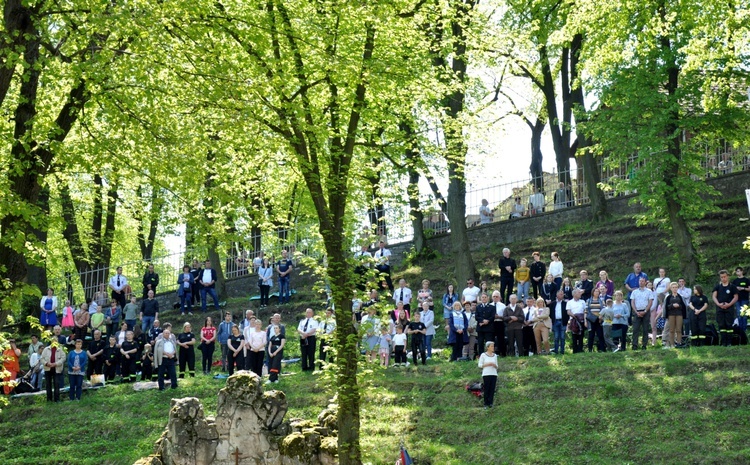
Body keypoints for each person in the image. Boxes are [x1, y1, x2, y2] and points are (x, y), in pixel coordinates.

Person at [712, 269, 738, 346]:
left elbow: (736, 297)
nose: (723, 278)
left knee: (729, 325)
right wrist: (718, 304)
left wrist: (729, 304)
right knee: (721, 325)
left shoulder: (732, 287)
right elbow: (714, 296)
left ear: (728, 277)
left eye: (724, 277)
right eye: (721, 277)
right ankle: (723, 342)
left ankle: (729, 342)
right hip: (720, 308)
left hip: (729, 308)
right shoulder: (717, 287)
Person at [630, 277, 653, 350]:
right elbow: (632, 302)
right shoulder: (635, 292)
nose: (641, 282)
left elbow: (650, 302)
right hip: (637, 311)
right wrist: (636, 312)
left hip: (645, 311)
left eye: (643, 281)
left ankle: (644, 345)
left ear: (645, 282)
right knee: (635, 329)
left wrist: (645, 311)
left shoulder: (649, 291)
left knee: (645, 329)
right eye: (640, 281)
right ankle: (634, 345)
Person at [663, 282, 687, 349]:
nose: (674, 289)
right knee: (671, 330)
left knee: (679, 330)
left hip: (679, 314)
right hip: (671, 315)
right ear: (670, 288)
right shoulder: (668, 297)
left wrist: (679, 305)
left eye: (676, 287)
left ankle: (678, 343)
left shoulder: (681, 297)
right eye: (673, 287)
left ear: (677, 288)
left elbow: (684, 306)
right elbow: (665, 306)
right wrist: (672, 305)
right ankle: (672, 344)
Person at [478, 341, 498, 409]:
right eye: (491, 346)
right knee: (487, 389)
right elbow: (480, 365)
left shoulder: (495, 355)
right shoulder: (483, 355)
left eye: (493, 346)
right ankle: (486, 403)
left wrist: (494, 365)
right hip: (486, 374)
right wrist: (487, 364)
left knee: (492, 389)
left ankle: (491, 403)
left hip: (494, 374)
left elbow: (497, 366)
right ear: (487, 347)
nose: (493, 347)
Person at [476, 293, 495, 362]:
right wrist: (482, 321)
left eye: (485, 297)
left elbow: (492, 317)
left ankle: (489, 356)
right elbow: (477, 316)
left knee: (489, 343)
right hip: (480, 328)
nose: (484, 298)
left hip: (489, 328)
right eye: (482, 297)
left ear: (488, 298)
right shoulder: (478, 307)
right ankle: (481, 357)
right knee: (480, 343)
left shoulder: (492, 307)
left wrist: (487, 321)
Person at [298, 308, 318, 372]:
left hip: (311, 337)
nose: (308, 314)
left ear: (312, 313)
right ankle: (304, 367)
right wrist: (303, 334)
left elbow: (314, 329)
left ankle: (311, 367)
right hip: (303, 337)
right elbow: (299, 329)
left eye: (310, 312)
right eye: (307, 312)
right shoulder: (302, 321)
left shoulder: (315, 321)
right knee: (304, 352)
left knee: (311, 352)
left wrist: (307, 334)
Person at [586, 287, 606, 352]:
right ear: (592, 292)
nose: (596, 293)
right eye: (595, 291)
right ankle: (590, 349)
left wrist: (601, 317)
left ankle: (602, 349)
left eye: (598, 291)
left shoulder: (601, 300)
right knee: (591, 335)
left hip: (599, 319)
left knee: (600, 334)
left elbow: (603, 309)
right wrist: (585, 320)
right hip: (591, 320)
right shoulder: (588, 301)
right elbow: (586, 311)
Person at [567, 289, 587, 354]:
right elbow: (568, 312)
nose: (580, 293)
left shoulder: (583, 301)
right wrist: (575, 316)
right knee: (574, 336)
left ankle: (580, 350)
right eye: (579, 292)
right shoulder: (569, 302)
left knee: (581, 336)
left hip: (581, 320)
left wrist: (583, 318)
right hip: (573, 320)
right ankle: (575, 351)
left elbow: (585, 311)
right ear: (574, 294)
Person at [550, 290, 568, 354]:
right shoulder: (552, 304)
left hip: (563, 322)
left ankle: (562, 351)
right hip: (555, 322)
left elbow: (567, 314)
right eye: (560, 294)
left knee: (562, 337)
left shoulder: (565, 303)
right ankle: (556, 351)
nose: (562, 295)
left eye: (562, 294)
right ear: (557, 295)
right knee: (556, 337)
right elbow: (550, 314)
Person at [491, 291, 507, 357]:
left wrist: (499, 317)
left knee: (501, 338)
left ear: (499, 297)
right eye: (494, 296)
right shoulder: (490, 305)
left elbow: (506, 316)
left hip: (500, 322)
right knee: (491, 338)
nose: (495, 298)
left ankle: (502, 353)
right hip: (492, 323)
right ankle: (491, 353)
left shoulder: (503, 305)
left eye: (496, 296)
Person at [733, 267, 749, 332]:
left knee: (744, 315)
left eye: (739, 271)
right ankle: (740, 330)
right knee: (739, 314)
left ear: (742, 271)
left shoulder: (746, 280)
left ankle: (744, 330)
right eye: (737, 271)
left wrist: (742, 288)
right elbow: (732, 290)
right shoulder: (735, 281)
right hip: (737, 299)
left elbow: (749, 289)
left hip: (745, 299)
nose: (738, 272)